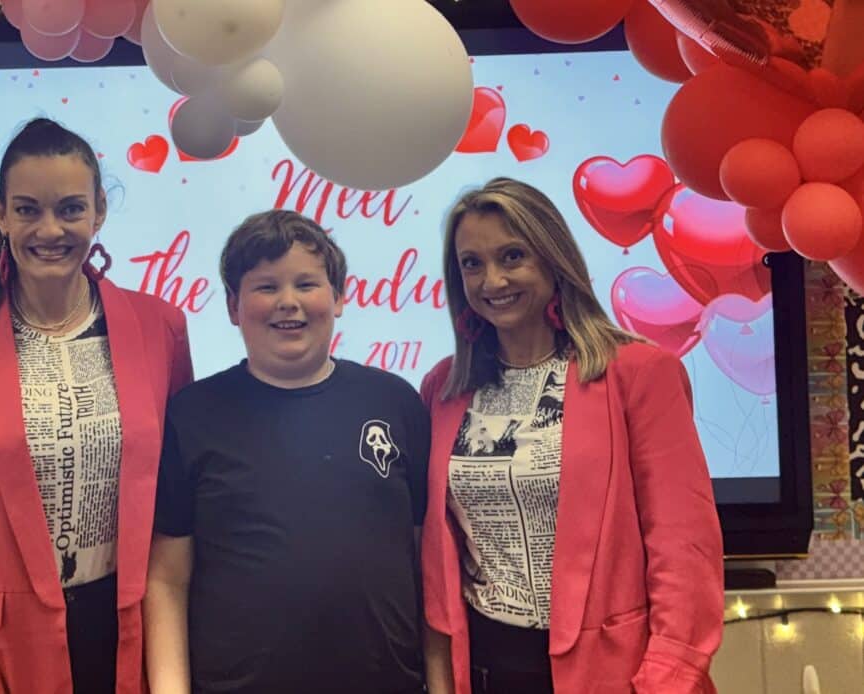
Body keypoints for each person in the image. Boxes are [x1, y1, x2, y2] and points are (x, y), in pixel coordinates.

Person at [0, 118, 193, 694]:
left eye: (70, 209)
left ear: (99, 211)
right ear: (1, 215)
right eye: (28, 209)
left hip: (133, 636)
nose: (50, 229)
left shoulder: (161, 330)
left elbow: (174, 510)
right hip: (2, 653)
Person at [419, 178, 723, 694]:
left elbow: (683, 547)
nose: (492, 280)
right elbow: (438, 558)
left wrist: (667, 679)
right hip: (484, 668)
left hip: (618, 677)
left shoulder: (638, 373)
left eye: (512, 256)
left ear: (552, 258)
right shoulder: (443, 388)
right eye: (472, 263)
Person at [144, 209, 434, 694]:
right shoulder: (192, 415)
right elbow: (167, 581)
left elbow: (429, 567)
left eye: (306, 284)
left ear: (338, 297)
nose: (288, 302)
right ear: (233, 306)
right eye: (266, 287)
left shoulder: (395, 402)